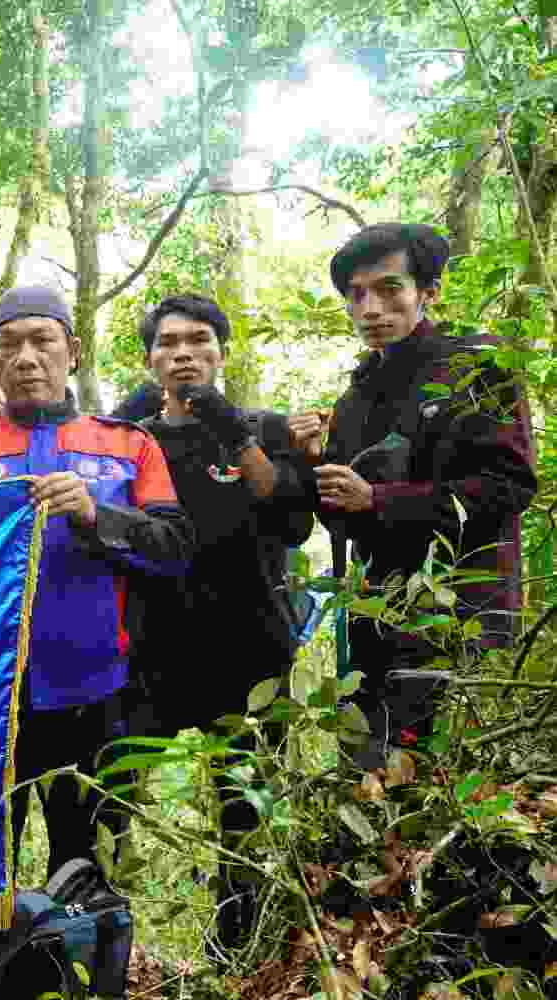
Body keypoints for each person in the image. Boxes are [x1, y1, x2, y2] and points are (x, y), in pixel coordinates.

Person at [0, 284, 193, 883]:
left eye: (42, 341)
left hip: (95, 691)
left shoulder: (127, 444)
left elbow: (174, 550)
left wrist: (96, 512)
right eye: (9, 345)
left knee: (84, 860)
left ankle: (83, 974)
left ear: (71, 350)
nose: (25, 358)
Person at [287, 223, 535, 766]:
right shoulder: (356, 396)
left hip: (461, 621)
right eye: (357, 295)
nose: (370, 308)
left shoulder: (477, 363)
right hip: (377, 620)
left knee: (447, 790)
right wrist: (313, 466)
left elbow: (508, 487)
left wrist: (377, 498)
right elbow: (343, 518)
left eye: (389, 289)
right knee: (372, 785)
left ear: (429, 291)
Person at [127, 294, 315, 950]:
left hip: (249, 647)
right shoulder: (130, 435)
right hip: (149, 649)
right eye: (168, 342)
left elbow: (291, 517)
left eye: (198, 340)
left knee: (243, 805)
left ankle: (235, 945)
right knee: (115, 791)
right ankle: (107, 935)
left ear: (221, 353)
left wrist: (233, 428)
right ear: (150, 360)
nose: (183, 353)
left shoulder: (260, 427)